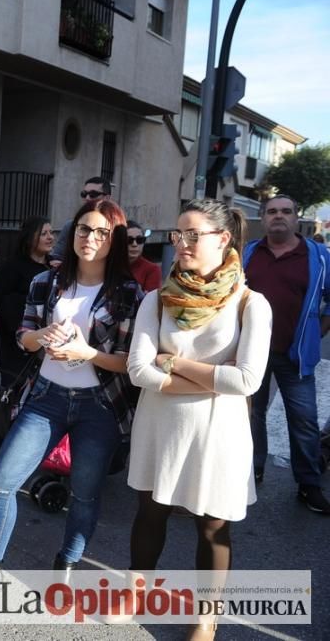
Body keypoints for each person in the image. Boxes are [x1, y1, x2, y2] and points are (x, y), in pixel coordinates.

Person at [0, 198, 142, 589]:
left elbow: (129, 363)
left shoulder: (128, 293)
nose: (91, 238)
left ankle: (66, 565)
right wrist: (40, 336)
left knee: (84, 494)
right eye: (85, 228)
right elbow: (23, 338)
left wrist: (87, 353)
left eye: (103, 232)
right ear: (74, 233)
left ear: (114, 239)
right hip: (47, 394)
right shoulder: (47, 281)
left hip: (99, 404)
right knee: (2, 479)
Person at [126, 200, 271, 639]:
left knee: (212, 525)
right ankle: (138, 591)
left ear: (222, 239)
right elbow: (138, 370)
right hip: (160, 424)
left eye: (193, 235)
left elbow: (246, 380)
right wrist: (211, 379)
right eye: (179, 234)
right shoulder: (157, 298)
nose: (182, 243)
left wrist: (176, 364)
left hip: (218, 432)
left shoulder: (251, 303)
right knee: (150, 511)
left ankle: (205, 618)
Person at [243, 195, 330, 513]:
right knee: (252, 414)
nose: (278, 216)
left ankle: (308, 485)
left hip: (295, 356)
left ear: (297, 217)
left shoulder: (318, 256)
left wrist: (316, 332)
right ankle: (253, 469)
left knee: (304, 420)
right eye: (271, 212)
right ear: (263, 218)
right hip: (251, 352)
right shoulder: (249, 253)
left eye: (286, 211)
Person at [0, 217, 53, 387]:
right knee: (15, 385)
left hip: (47, 338)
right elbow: (0, 299)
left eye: (51, 232)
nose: (50, 237)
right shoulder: (13, 266)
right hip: (14, 337)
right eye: (44, 234)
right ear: (30, 238)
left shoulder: (54, 267)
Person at [51, 176, 112, 263]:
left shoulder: (117, 226)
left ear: (107, 198)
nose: (87, 198)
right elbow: (57, 257)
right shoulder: (70, 226)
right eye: (84, 194)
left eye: (93, 194)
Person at [126, 220, 161, 292]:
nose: (134, 244)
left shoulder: (152, 270)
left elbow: (151, 301)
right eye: (129, 240)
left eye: (139, 240)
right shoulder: (109, 265)